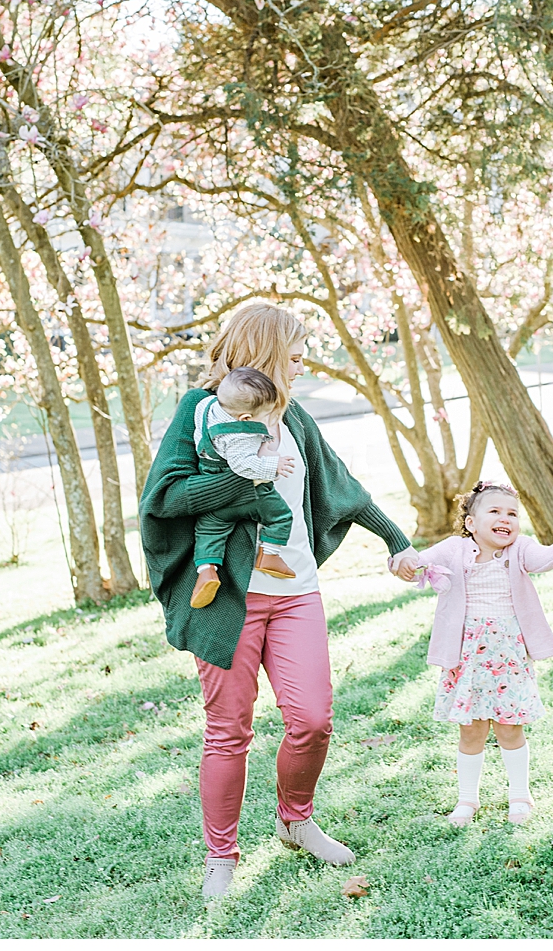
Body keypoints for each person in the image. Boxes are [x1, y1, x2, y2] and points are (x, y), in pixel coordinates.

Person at [139, 302, 421, 899]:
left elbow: (340, 486)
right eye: (293, 351)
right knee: (229, 728)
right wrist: (247, 478)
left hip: (295, 592)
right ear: (264, 348)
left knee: (314, 719)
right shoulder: (201, 410)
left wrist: (396, 540)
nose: (301, 361)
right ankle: (221, 856)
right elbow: (165, 496)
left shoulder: (292, 417)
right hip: (226, 598)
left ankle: (296, 820)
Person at [403, 481, 553, 827]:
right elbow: (417, 561)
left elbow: (545, 559)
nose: (505, 519)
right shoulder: (454, 549)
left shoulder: (519, 549)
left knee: (510, 727)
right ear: (471, 523)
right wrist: (402, 562)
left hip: (507, 656)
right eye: (494, 511)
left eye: (512, 513)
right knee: (471, 730)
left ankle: (520, 796)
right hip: (466, 657)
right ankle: (468, 799)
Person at [189, 365, 298, 609]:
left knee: (208, 530)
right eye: (265, 417)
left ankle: (206, 571)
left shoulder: (206, 408)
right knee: (280, 515)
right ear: (245, 419)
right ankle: (269, 554)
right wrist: (273, 465)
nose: (267, 423)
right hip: (248, 493)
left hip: (211, 490)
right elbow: (243, 466)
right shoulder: (240, 436)